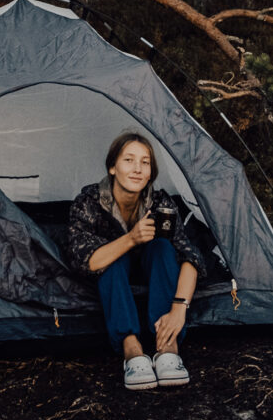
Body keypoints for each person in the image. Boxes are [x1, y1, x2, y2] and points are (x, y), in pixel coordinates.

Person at [65, 131, 207, 390]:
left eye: (145, 162)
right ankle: (132, 348)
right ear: (112, 167)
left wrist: (179, 309)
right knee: (112, 257)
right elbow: (87, 261)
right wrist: (131, 238)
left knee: (163, 246)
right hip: (113, 275)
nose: (137, 169)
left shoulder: (160, 204)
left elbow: (190, 257)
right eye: (129, 160)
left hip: (151, 269)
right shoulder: (89, 203)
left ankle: (167, 346)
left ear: (151, 172)